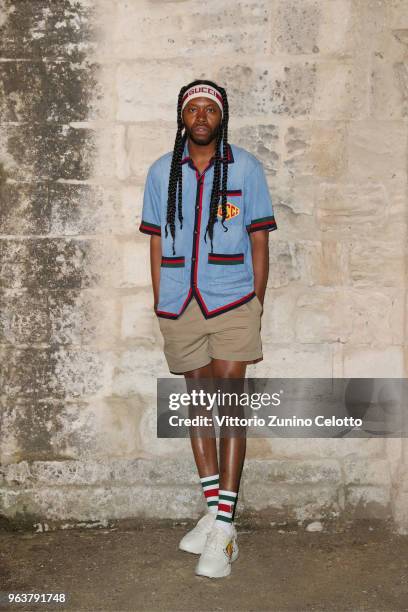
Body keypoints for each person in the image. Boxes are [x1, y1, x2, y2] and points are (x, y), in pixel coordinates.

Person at [139, 79, 277, 578]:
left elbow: (259, 238)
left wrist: (255, 300)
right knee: (198, 402)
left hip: (233, 299)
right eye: (192, 108)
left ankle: (225, 527)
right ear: (183, 117)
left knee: (230, 406)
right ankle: (214, 511)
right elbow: (155, 242)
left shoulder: (245, 168)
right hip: (181, 304)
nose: (201, 116)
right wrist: (160, 299)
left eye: (209, 109)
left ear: (222, 118)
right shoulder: (161, 172)